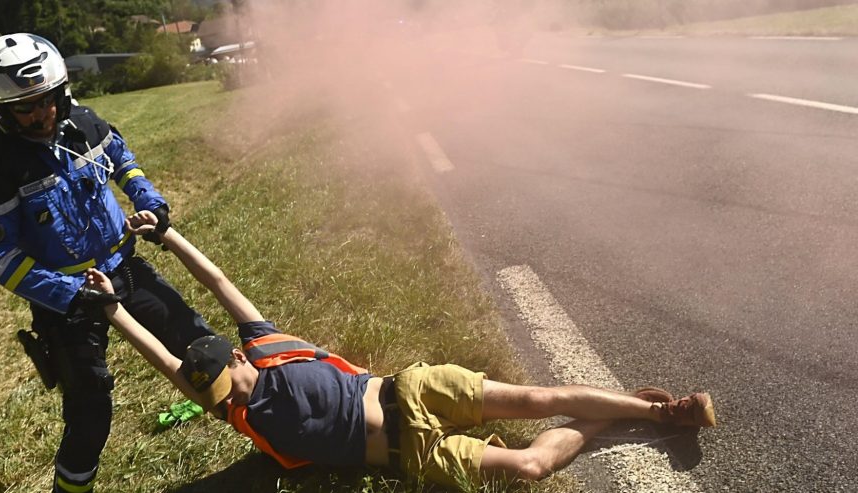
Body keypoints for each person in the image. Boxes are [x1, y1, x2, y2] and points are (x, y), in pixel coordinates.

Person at [85, 211, 717, 489]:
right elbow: (162, 360)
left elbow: (221, 285)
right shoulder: (237, 413)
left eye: (227, 379)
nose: (229, 393)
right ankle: (612, 414)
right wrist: (114, 311)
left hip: (411, 390)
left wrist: (169, 236)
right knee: (528, 468)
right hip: (412, 454)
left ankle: (665, 413)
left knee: (536, 397)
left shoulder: (266, 347)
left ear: (236, 359)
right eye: (216, 394)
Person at [0, 33, 214, 493]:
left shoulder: (88, 125)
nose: (43, 113)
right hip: (68, 302)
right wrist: (68, 293)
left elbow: (124, 161)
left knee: (198, 340)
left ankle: (269, 426)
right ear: (0, 109)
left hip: (125, 268)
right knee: (90, 408)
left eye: (48, 99)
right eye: (26, 107)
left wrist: (149, 201)